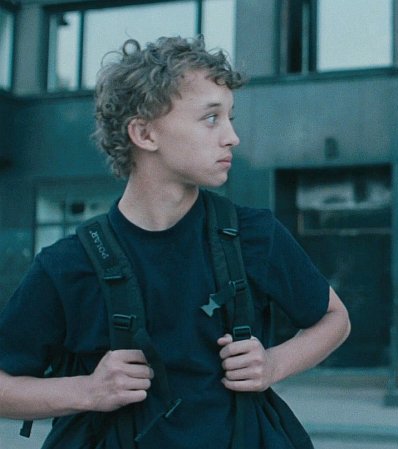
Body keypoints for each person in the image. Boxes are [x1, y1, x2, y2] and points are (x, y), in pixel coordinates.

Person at [0, 35, 350, 448]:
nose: (232, 136)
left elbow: (335, 319)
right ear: (145, 133)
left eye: (230, 117)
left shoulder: (255, 235)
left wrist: (273, 364)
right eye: (211, 118)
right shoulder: (66, 265)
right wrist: (87, 391)